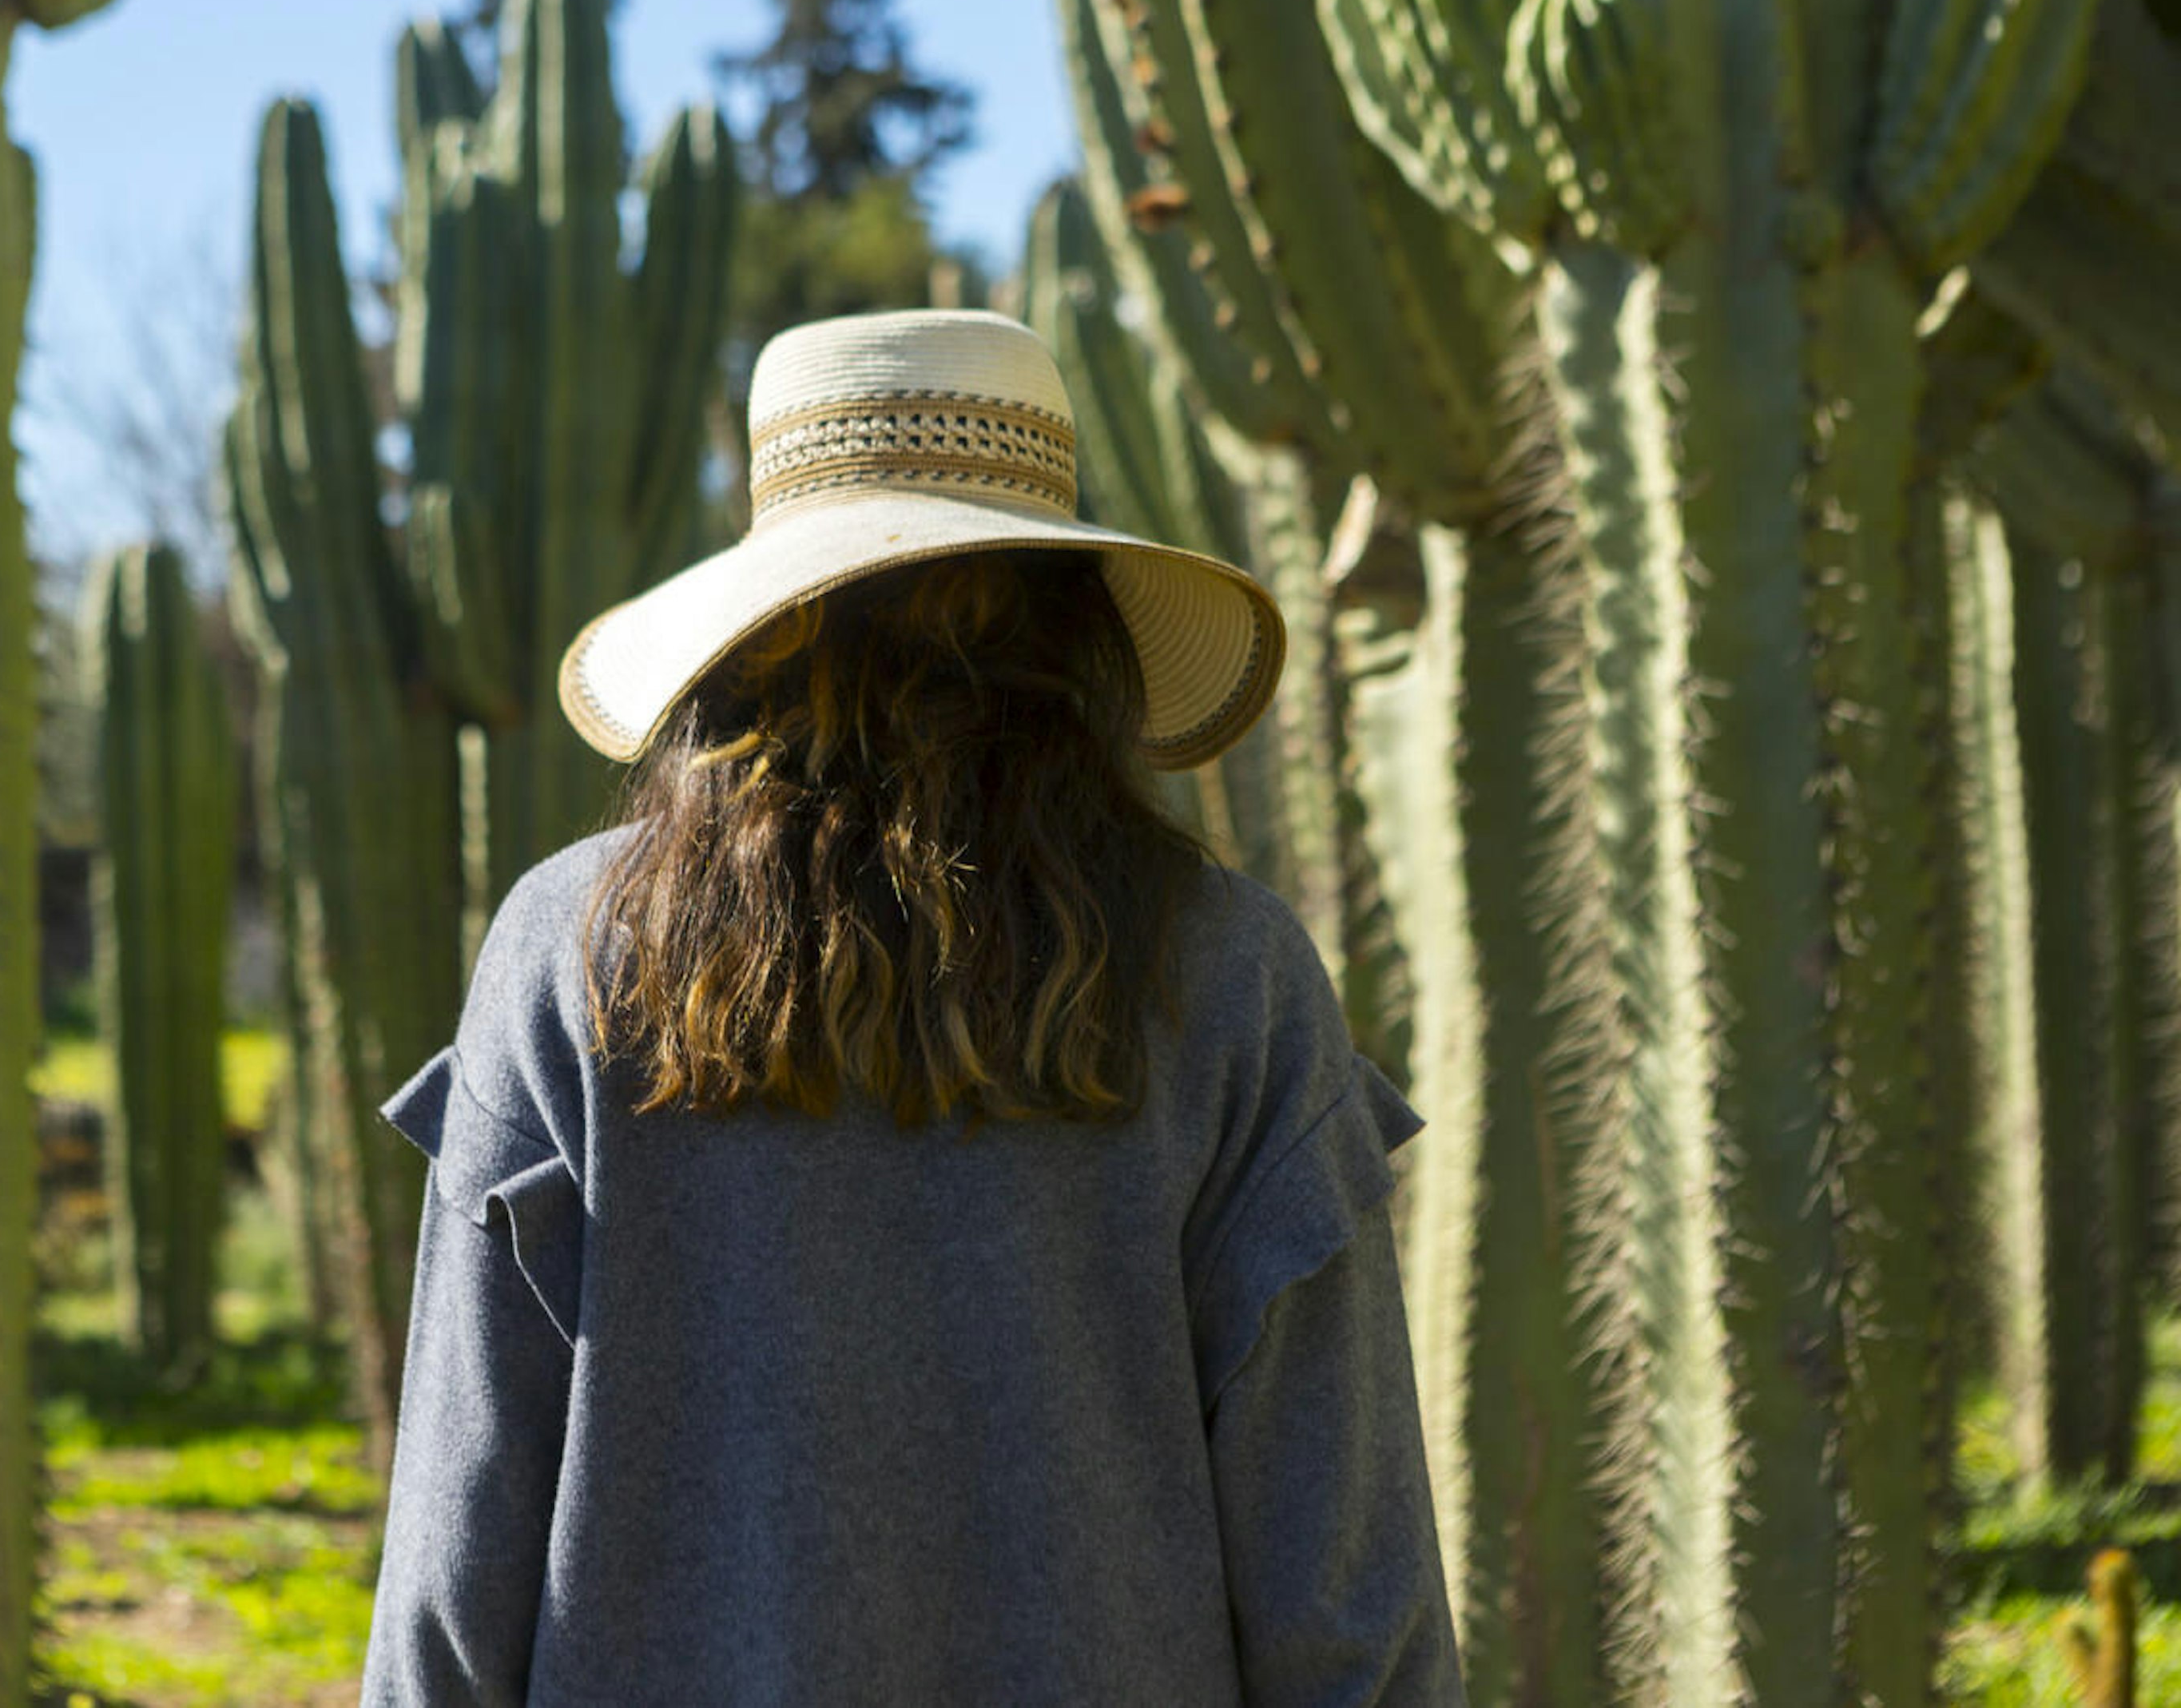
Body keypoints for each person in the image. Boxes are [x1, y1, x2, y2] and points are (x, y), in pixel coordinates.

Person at [361, 309, 1462, 1705]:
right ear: (1079, 625)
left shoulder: (574, 953)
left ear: (749, 628)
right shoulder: (1229, 973)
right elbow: (1348, 1600)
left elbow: (454, 1574)